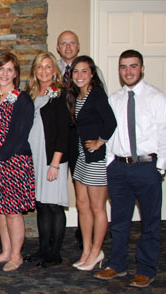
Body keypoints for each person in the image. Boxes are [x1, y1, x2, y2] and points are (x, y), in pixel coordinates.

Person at [94, 50, 166, 288]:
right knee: (119, 222)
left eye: (133, 66)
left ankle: (146, 269)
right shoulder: (114, 99)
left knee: (150, 222)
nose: (128, 71)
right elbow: (108, 134)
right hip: (119, 169)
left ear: (142, 68)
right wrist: (110, 163)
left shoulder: (157, 98)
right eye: (123, 67)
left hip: (147, 168)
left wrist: (158, 169)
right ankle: (117, 265)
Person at [0, 52, 35, 272]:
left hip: (13, 161)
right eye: (1, 69)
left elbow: (19, 135)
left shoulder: (22, 98)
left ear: (16, 74)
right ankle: (5, 251)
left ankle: (16, 255)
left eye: (9, 69)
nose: (5, 73)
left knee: (12, 211)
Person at [66, 55, 116, 271]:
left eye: (84, 71)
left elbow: (111, 122)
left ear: (92, 74)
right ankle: (86, 250)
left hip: (95, 159)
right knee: (82, 206)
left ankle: (97, 251)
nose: (79, 76)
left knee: (97, 207)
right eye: (76, 72)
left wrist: (100, 142)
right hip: (80, 157)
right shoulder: (76, 96)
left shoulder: (96, 94)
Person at [24, 52, 70, 267]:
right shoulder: (31, 93)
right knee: (41, 204)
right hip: (34, 155)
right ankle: (43, 249)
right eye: (40, 67)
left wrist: (55, 163)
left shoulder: (60, 94)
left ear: (55, 70)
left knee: (54, 205)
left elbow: (64, 132)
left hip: (52, 157)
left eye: (48, 67)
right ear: (35, 71)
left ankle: (55, 253)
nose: (44, 71)